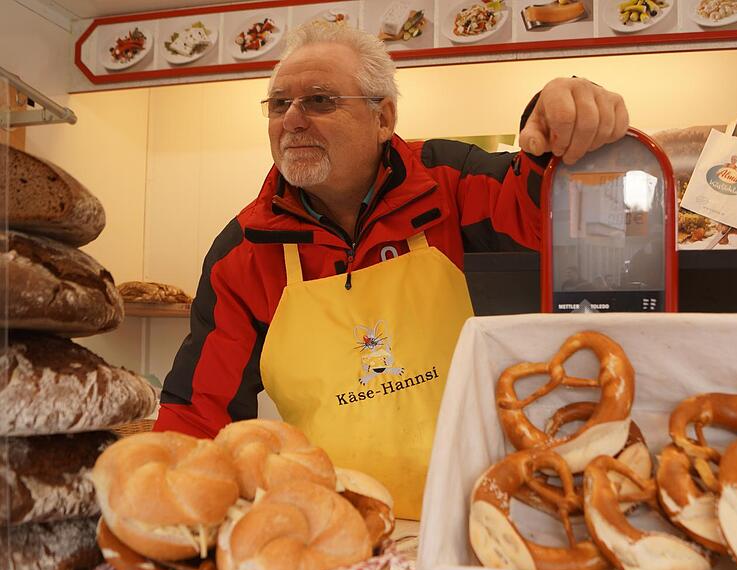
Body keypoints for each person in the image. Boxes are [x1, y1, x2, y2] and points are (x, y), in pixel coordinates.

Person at [154, 21, 629, 519]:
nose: (292, 119)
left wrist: (562, 121)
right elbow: (198, 413)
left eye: (319, 100)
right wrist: (163, 499)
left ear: (384, 118)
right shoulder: (245, 251)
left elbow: (542, 213)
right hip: (338, 521)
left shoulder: (446, 180)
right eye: (278, 104)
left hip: (485, 506)